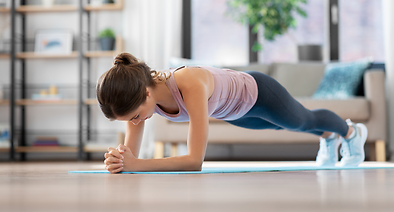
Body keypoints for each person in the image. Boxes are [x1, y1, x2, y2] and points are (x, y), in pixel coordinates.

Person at [97, 52, 368, 173]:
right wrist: (120, 161)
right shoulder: (136, 101)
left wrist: (136, 165)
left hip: (260, 94)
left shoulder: (189, 83)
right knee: (284, 126)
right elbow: (129, 160)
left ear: (146, 93)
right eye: (128, 120)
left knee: (301, 120)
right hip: (236, 113)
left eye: (134, 116)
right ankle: (329, 138)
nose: (135, 123)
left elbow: (194, 161)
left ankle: (351, 133)